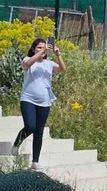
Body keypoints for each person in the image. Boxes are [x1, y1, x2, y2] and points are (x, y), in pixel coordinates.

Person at [12, 38, 66, 169]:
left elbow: (62, 69)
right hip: (28, 99)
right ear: (33, 49)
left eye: (43, 47)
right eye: (38, 48)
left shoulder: (49, 63)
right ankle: (16, 144)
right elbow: (28, 63)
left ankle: (35, 161)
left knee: (39, 131)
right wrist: (42, 52)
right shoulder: (27, 60)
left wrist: (58, 55)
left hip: (44, 102)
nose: (42, 50)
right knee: (30, 126)